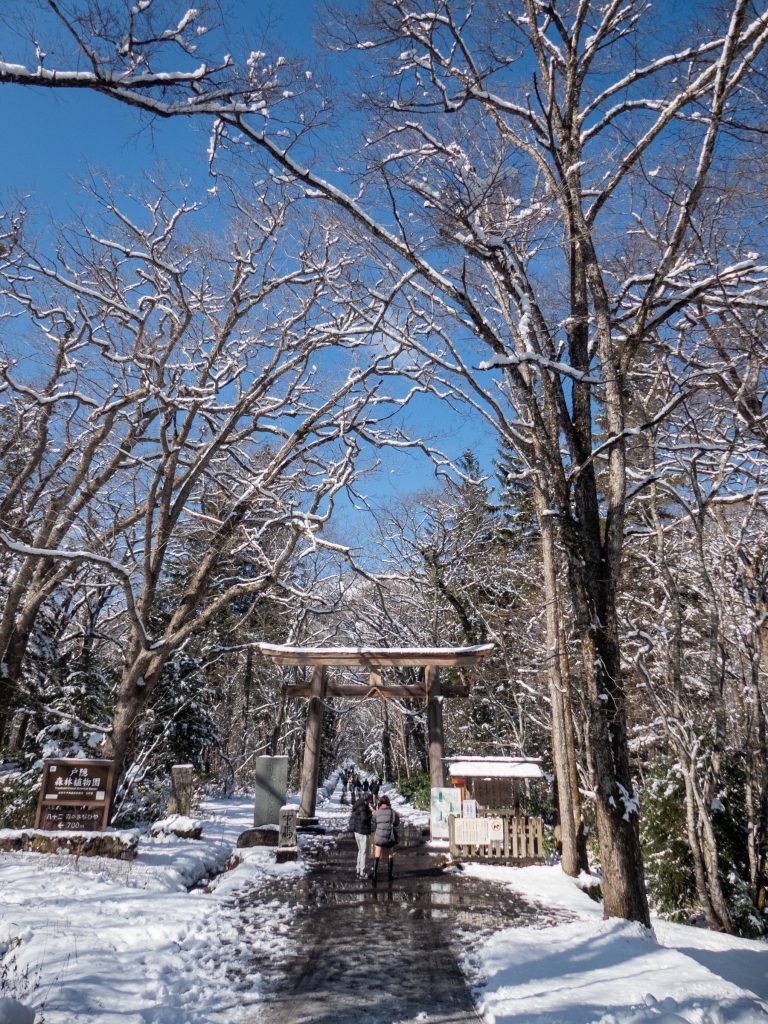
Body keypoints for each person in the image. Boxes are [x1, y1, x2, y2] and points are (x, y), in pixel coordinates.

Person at [371, 794, 400, 882]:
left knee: (377, 855)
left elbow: (373, 821)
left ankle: (374, 875)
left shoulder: (378, 812)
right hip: (389, 837)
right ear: (388, 803)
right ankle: (390, 875)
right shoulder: (392, 812)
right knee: (390, 854)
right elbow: (396, 823)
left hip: (379, 836)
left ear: (380, 803)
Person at [348, 793, 373, 878]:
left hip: (357, 831)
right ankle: (362, 871)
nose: (371, 801)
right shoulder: (363, 807)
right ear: (367, 799)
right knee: (363, 852)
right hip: (363, 831)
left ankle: (358, 868)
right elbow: (364, 819)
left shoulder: (358, 804)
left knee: (360, 851)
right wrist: (372, 814)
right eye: (370, 800)